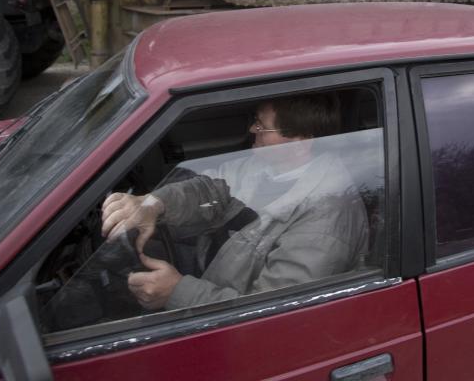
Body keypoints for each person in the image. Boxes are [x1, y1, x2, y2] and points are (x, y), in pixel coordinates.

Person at [101, 93, 369, 311]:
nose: (253, 128)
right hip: (211, 278)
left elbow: (274, 311)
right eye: (255, 120)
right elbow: (209, 188)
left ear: (300, 143)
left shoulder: (326, 220)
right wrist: (153, 204)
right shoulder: (263, 165)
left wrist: (178, 293)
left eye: (262, 126)